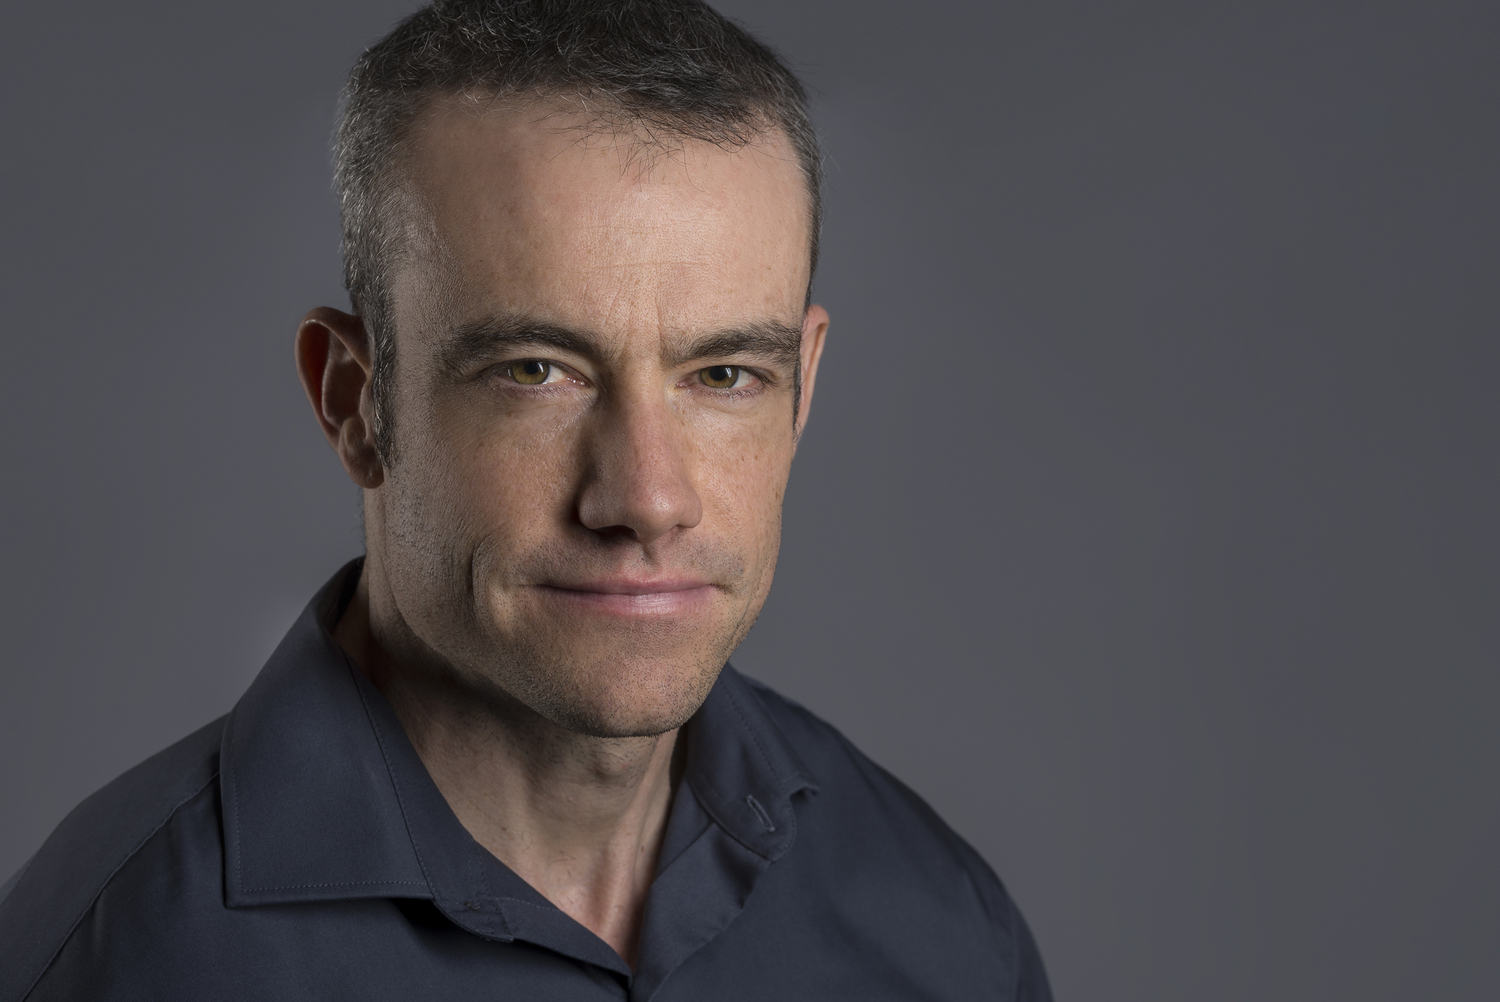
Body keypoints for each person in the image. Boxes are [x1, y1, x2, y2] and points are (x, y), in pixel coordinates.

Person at [0, 2, 1051, 998]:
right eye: (537, 371)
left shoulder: (940, 933)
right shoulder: (125, 959)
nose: (647, 499)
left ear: (804, 389)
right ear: (355, 402)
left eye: (725, 375)